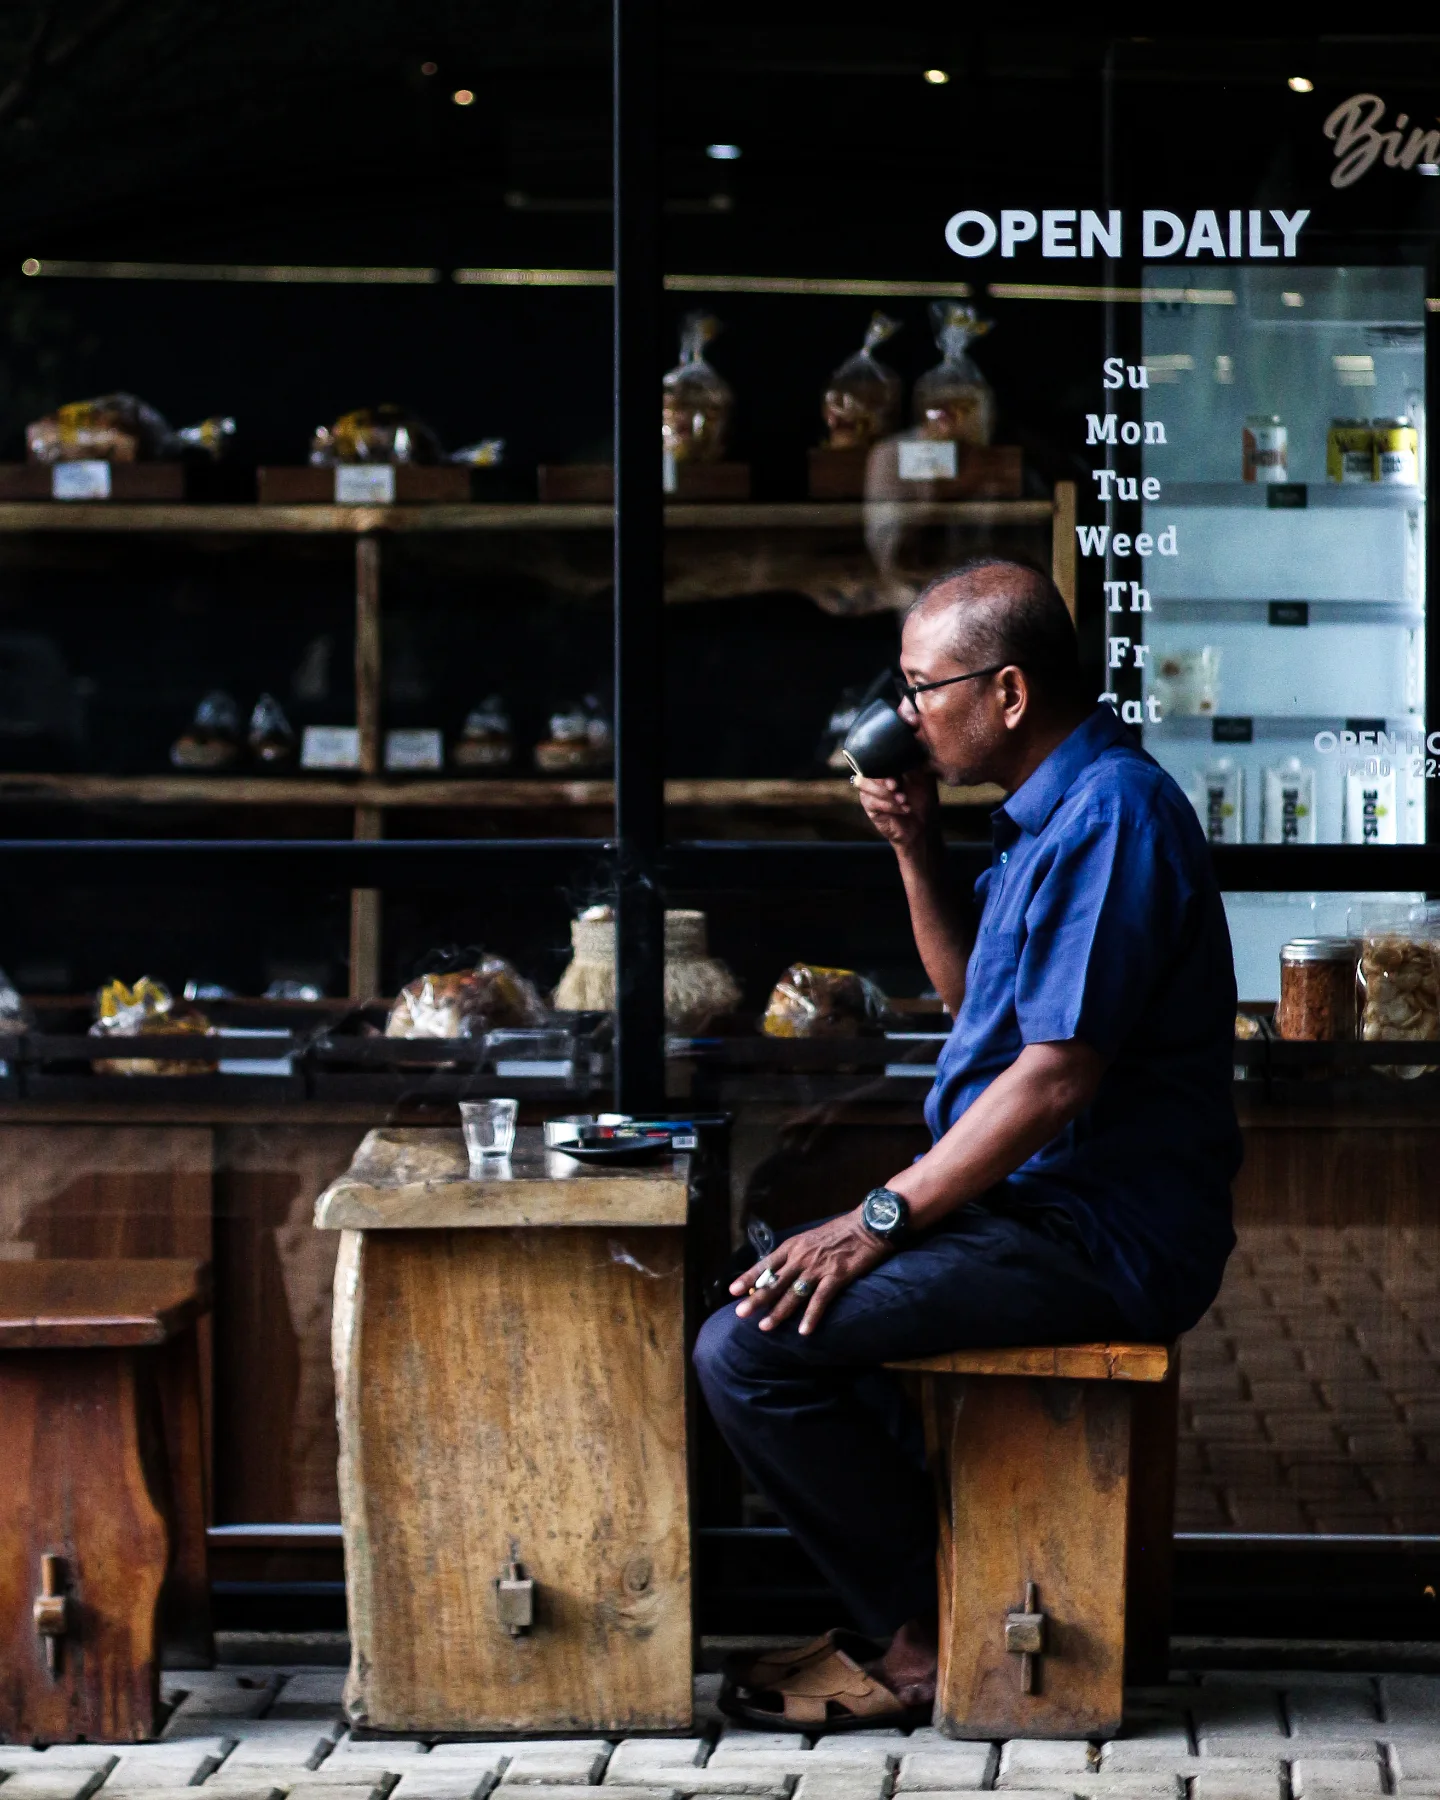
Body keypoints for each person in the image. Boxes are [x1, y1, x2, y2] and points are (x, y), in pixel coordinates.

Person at [694, 556, 1241, 1730]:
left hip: (1103, 1232)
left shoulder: (1115, 817)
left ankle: (931, 1631)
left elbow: (1053, 1080)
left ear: (1005, 692)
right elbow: (972, 1010)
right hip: (1032, 1209)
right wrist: (912, 848)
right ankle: (949, 1597)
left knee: (753, 1350)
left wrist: (882, 1215)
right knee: (774, 1280)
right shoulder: (1047, 815)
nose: (903, 716)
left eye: (920, 687)